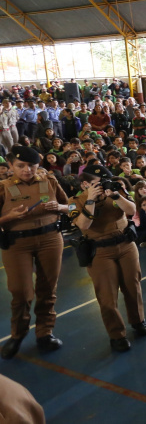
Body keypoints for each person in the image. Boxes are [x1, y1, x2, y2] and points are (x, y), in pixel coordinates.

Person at [69, 165, 146, 353]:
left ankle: (138, 321)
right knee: (107, 295)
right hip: (100, 252)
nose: (103, 185)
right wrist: (91, 200)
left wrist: (115, 195)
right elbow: (83, 224)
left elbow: (131, 210)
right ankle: (116, 334)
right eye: (98, 183)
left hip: (126, 245)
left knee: (133, 285)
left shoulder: (114, 192)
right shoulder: (75, 201)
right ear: (85, 184)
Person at [0, 146, 68, 360]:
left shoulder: (49, 181)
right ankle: (18, 334)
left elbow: (74, 207)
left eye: (32, 165)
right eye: (21, 166)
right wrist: (7, 218)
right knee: (21, 292)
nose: (27, 170)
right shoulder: (2, 187)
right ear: (11, 165)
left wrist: (61, 208)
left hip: (50, 239)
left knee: (48, 288)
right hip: (17, 243)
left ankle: (44, 333)